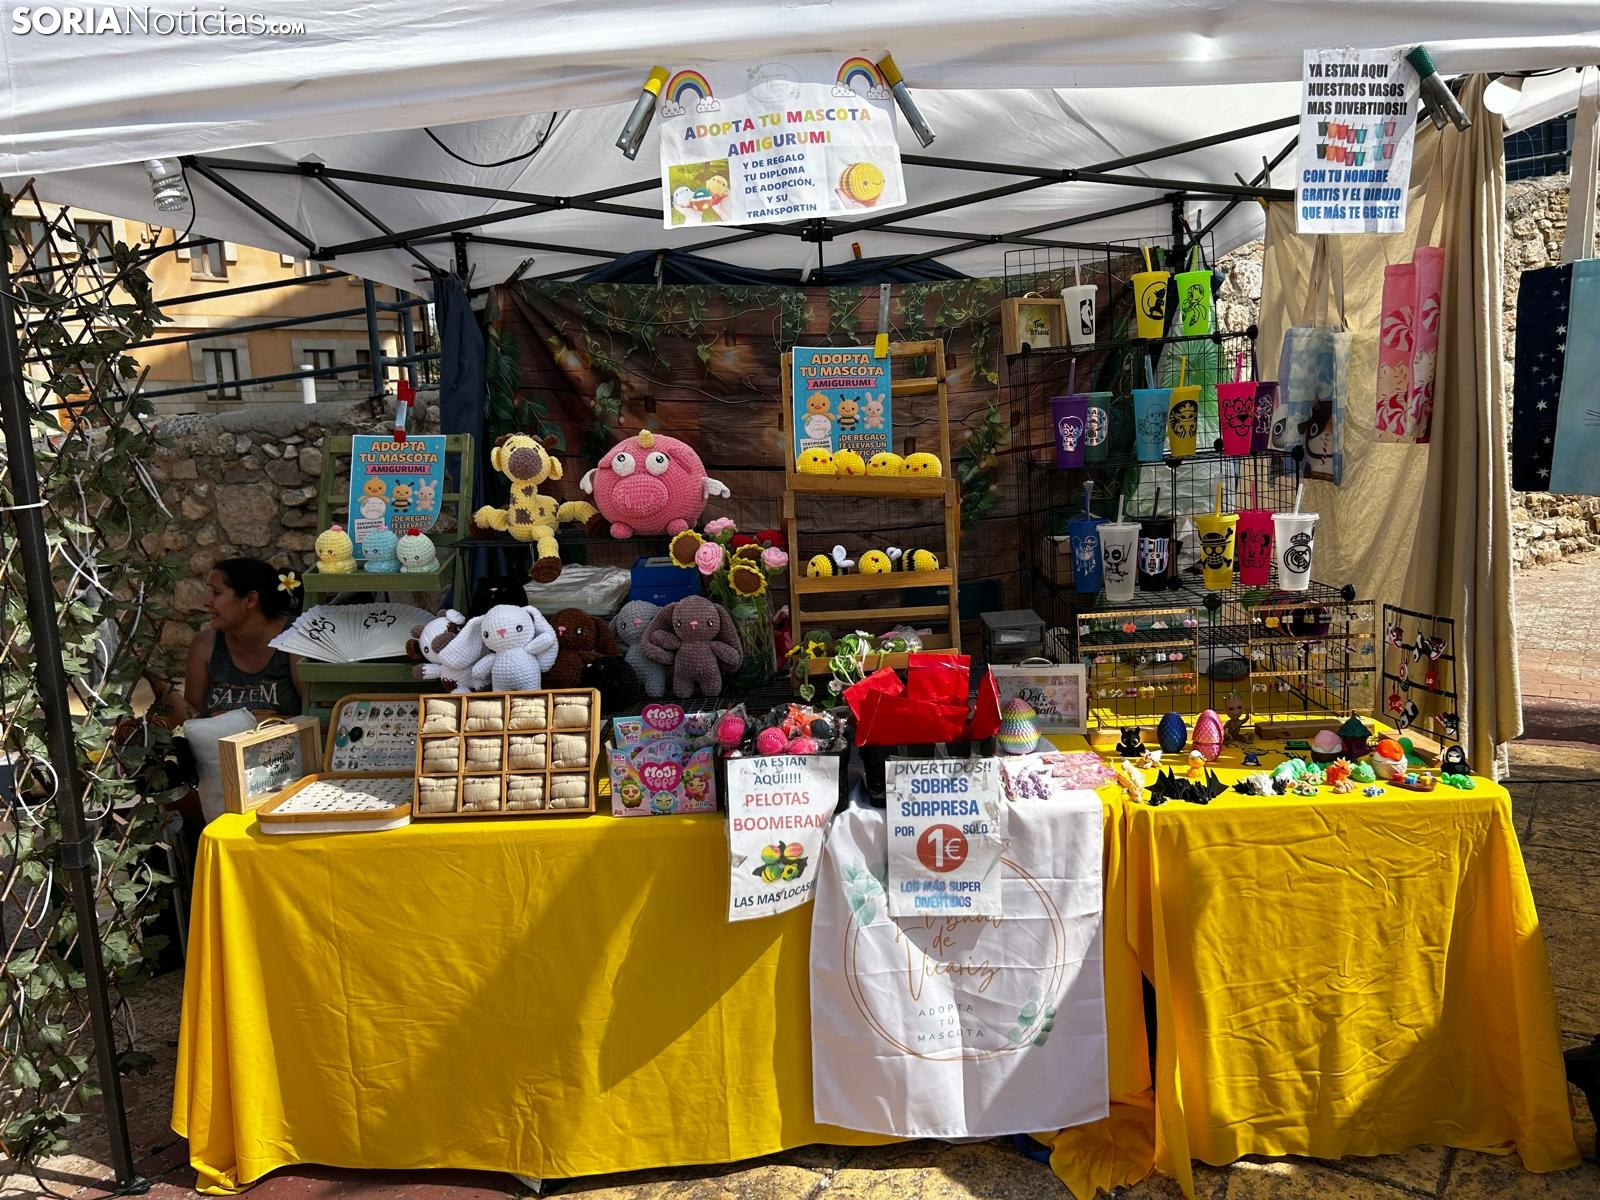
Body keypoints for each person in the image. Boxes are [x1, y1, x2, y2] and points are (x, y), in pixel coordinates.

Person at [181, 557, 304, 720]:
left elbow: (320, 720)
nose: (206, 602)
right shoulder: (205, 645)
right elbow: (193, 721)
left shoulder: (296, 641)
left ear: (251, 600)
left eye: (217, 593)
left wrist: (243, 722)